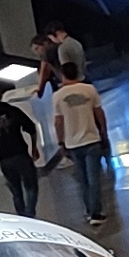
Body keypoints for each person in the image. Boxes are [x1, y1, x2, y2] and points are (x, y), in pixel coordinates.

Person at [50, 63, 112, 223]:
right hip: (92, 139)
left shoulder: (57, 96)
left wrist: (61, 142)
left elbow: (58, 122)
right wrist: (103, 132)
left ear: (62, 75)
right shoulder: (89, 89)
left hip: (72, 143)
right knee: (94, 178)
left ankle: (89, 211)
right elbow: (99, 113)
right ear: (77, 73)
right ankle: (97, 213)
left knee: (82, 179)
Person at [0, 82, 44, 215]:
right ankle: (30, 213)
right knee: (31, 186)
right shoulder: (12, 110)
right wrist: (34, 147)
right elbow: (30, 127)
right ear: (2, 95)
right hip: (20, 153)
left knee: (16, 190)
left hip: (4, 159)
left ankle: (22, 216)